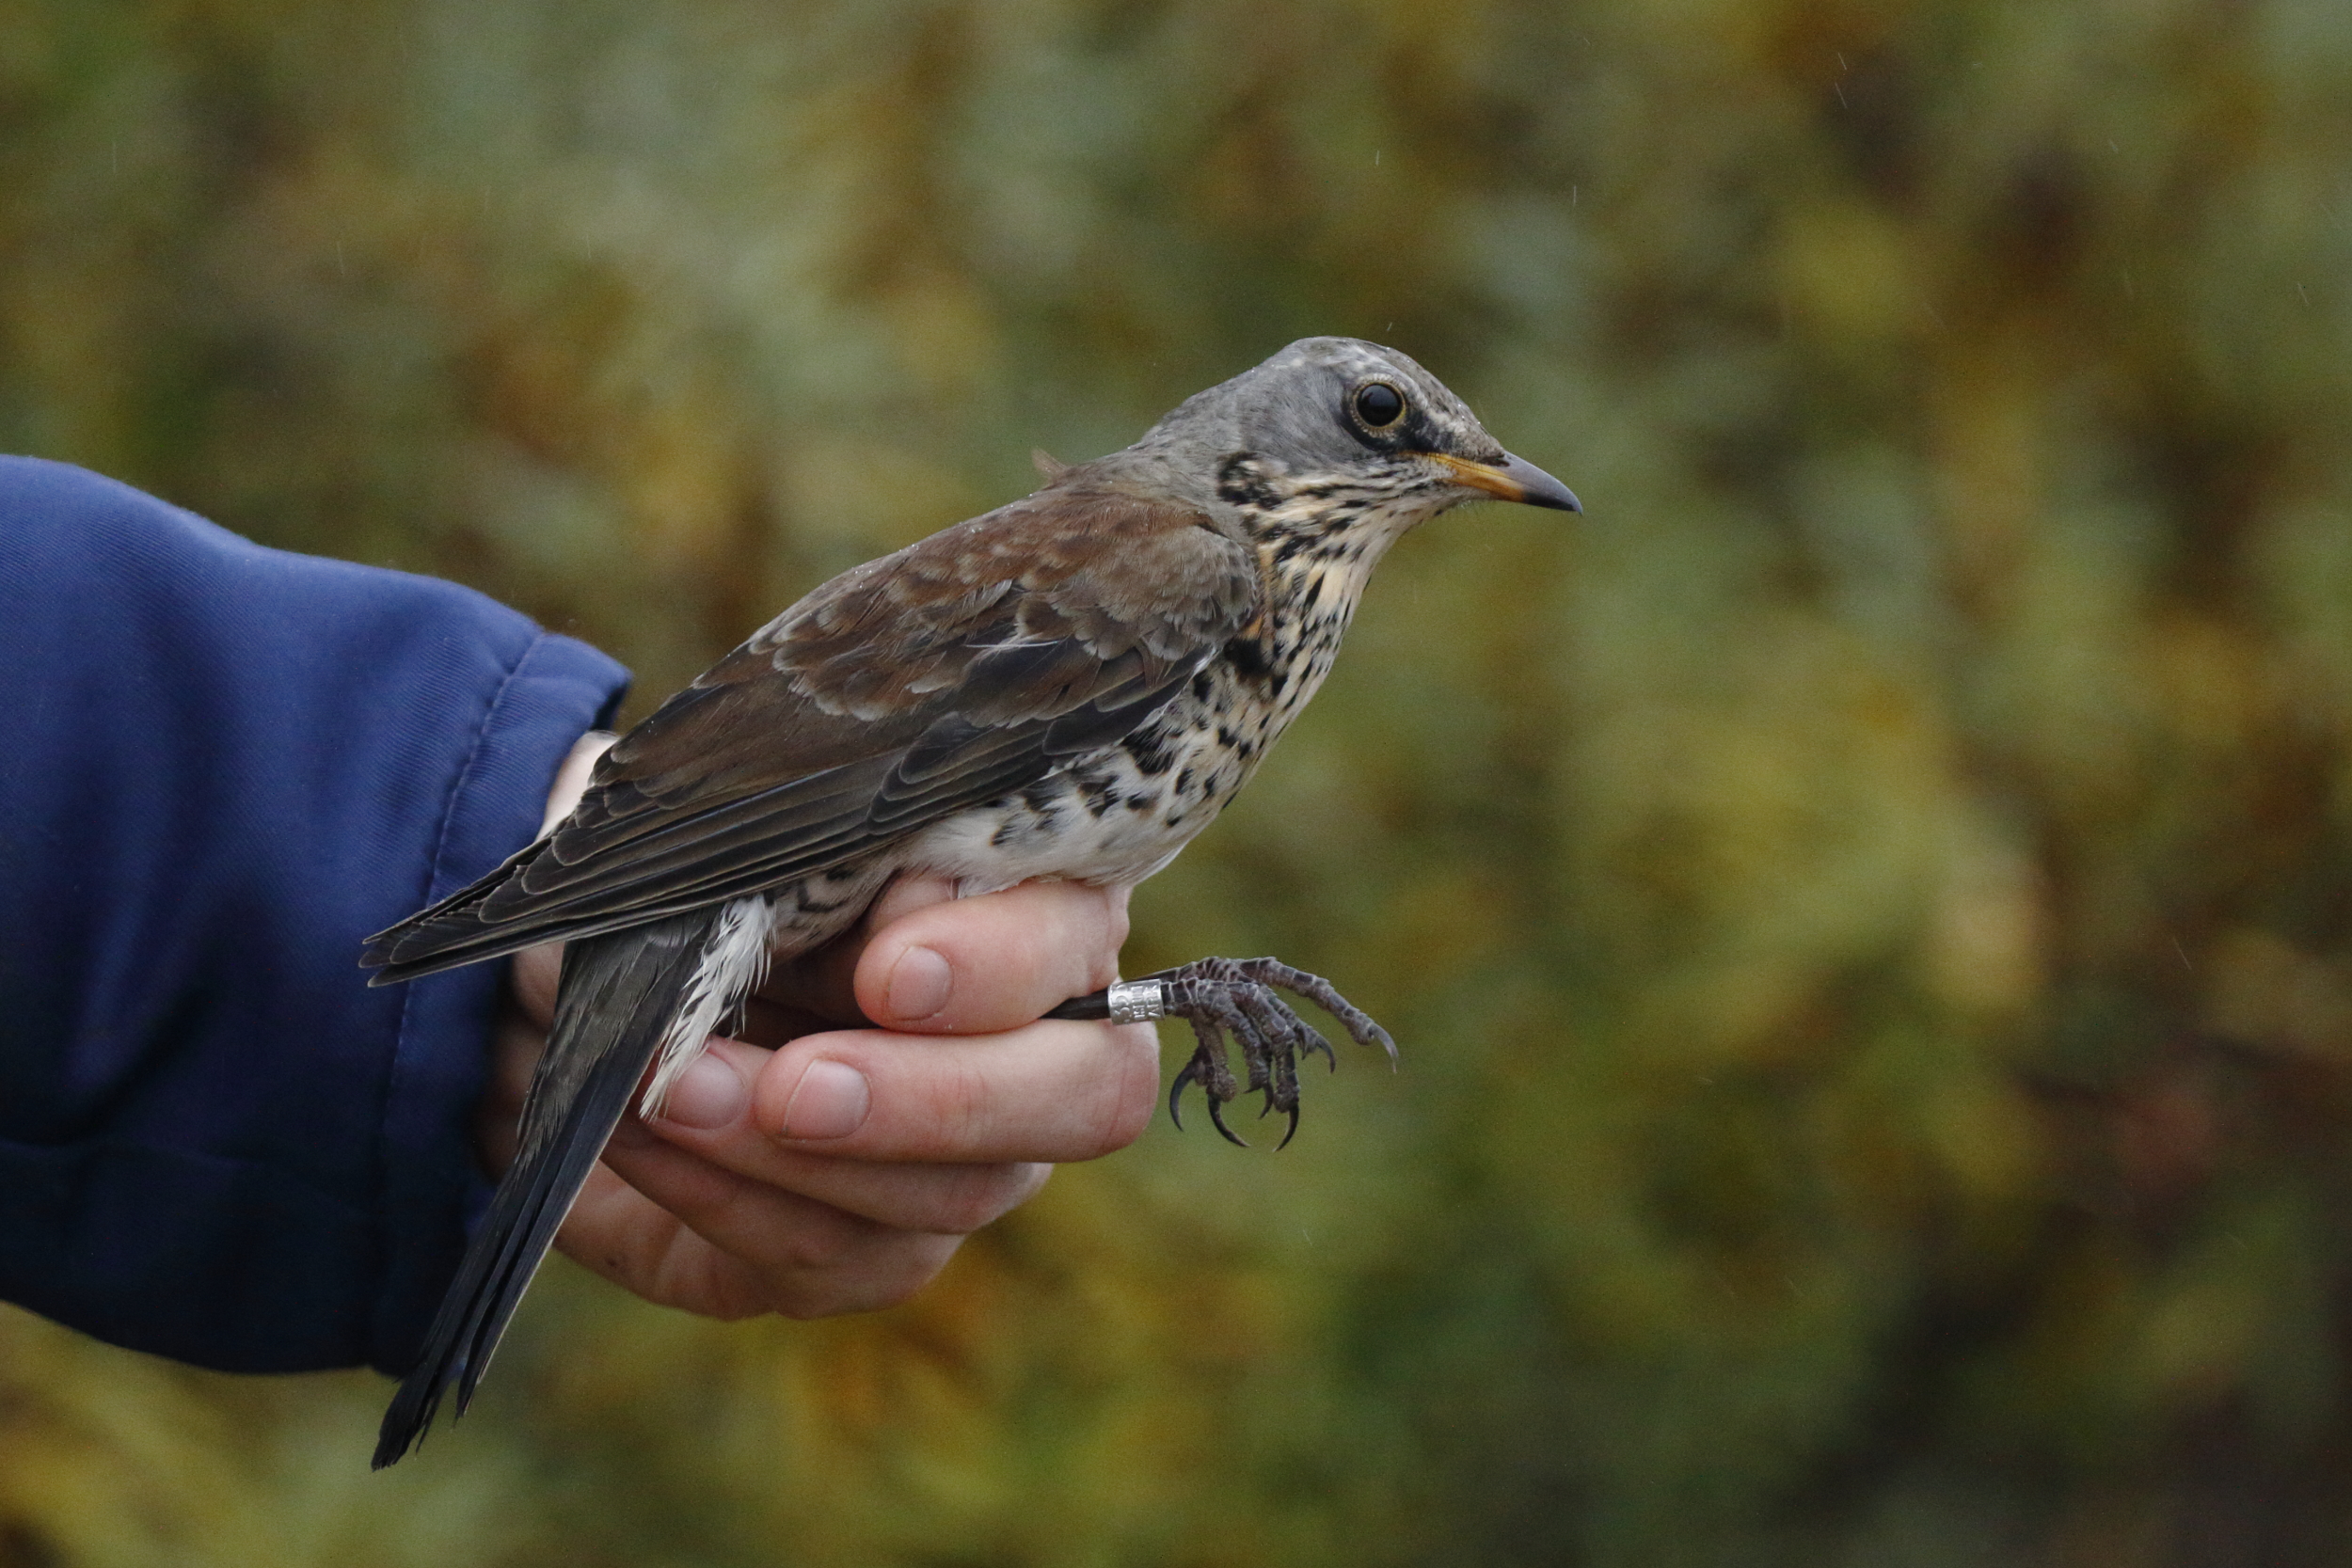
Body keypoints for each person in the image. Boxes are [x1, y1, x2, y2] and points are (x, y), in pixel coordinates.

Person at [0, 455, 1157, 1377]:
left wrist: (476, 860)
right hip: (736, 864)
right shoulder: (1179, 568)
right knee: (931, 975)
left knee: (943, 981)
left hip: (726, 869)